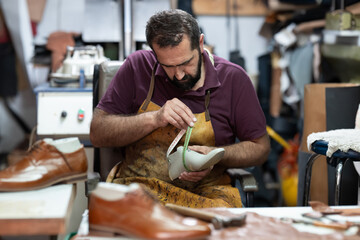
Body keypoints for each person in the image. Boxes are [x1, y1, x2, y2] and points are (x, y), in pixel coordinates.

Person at [90, 9, 270, 208]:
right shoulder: (137, 67)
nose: (179, 76)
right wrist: (154, 119)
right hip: (140, 190)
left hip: (208, 195)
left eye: (186, 63)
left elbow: (260, 149)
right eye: (167, 65)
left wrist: (216, 156)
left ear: (200, 44)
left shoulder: (233, 79)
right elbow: (98, 133)